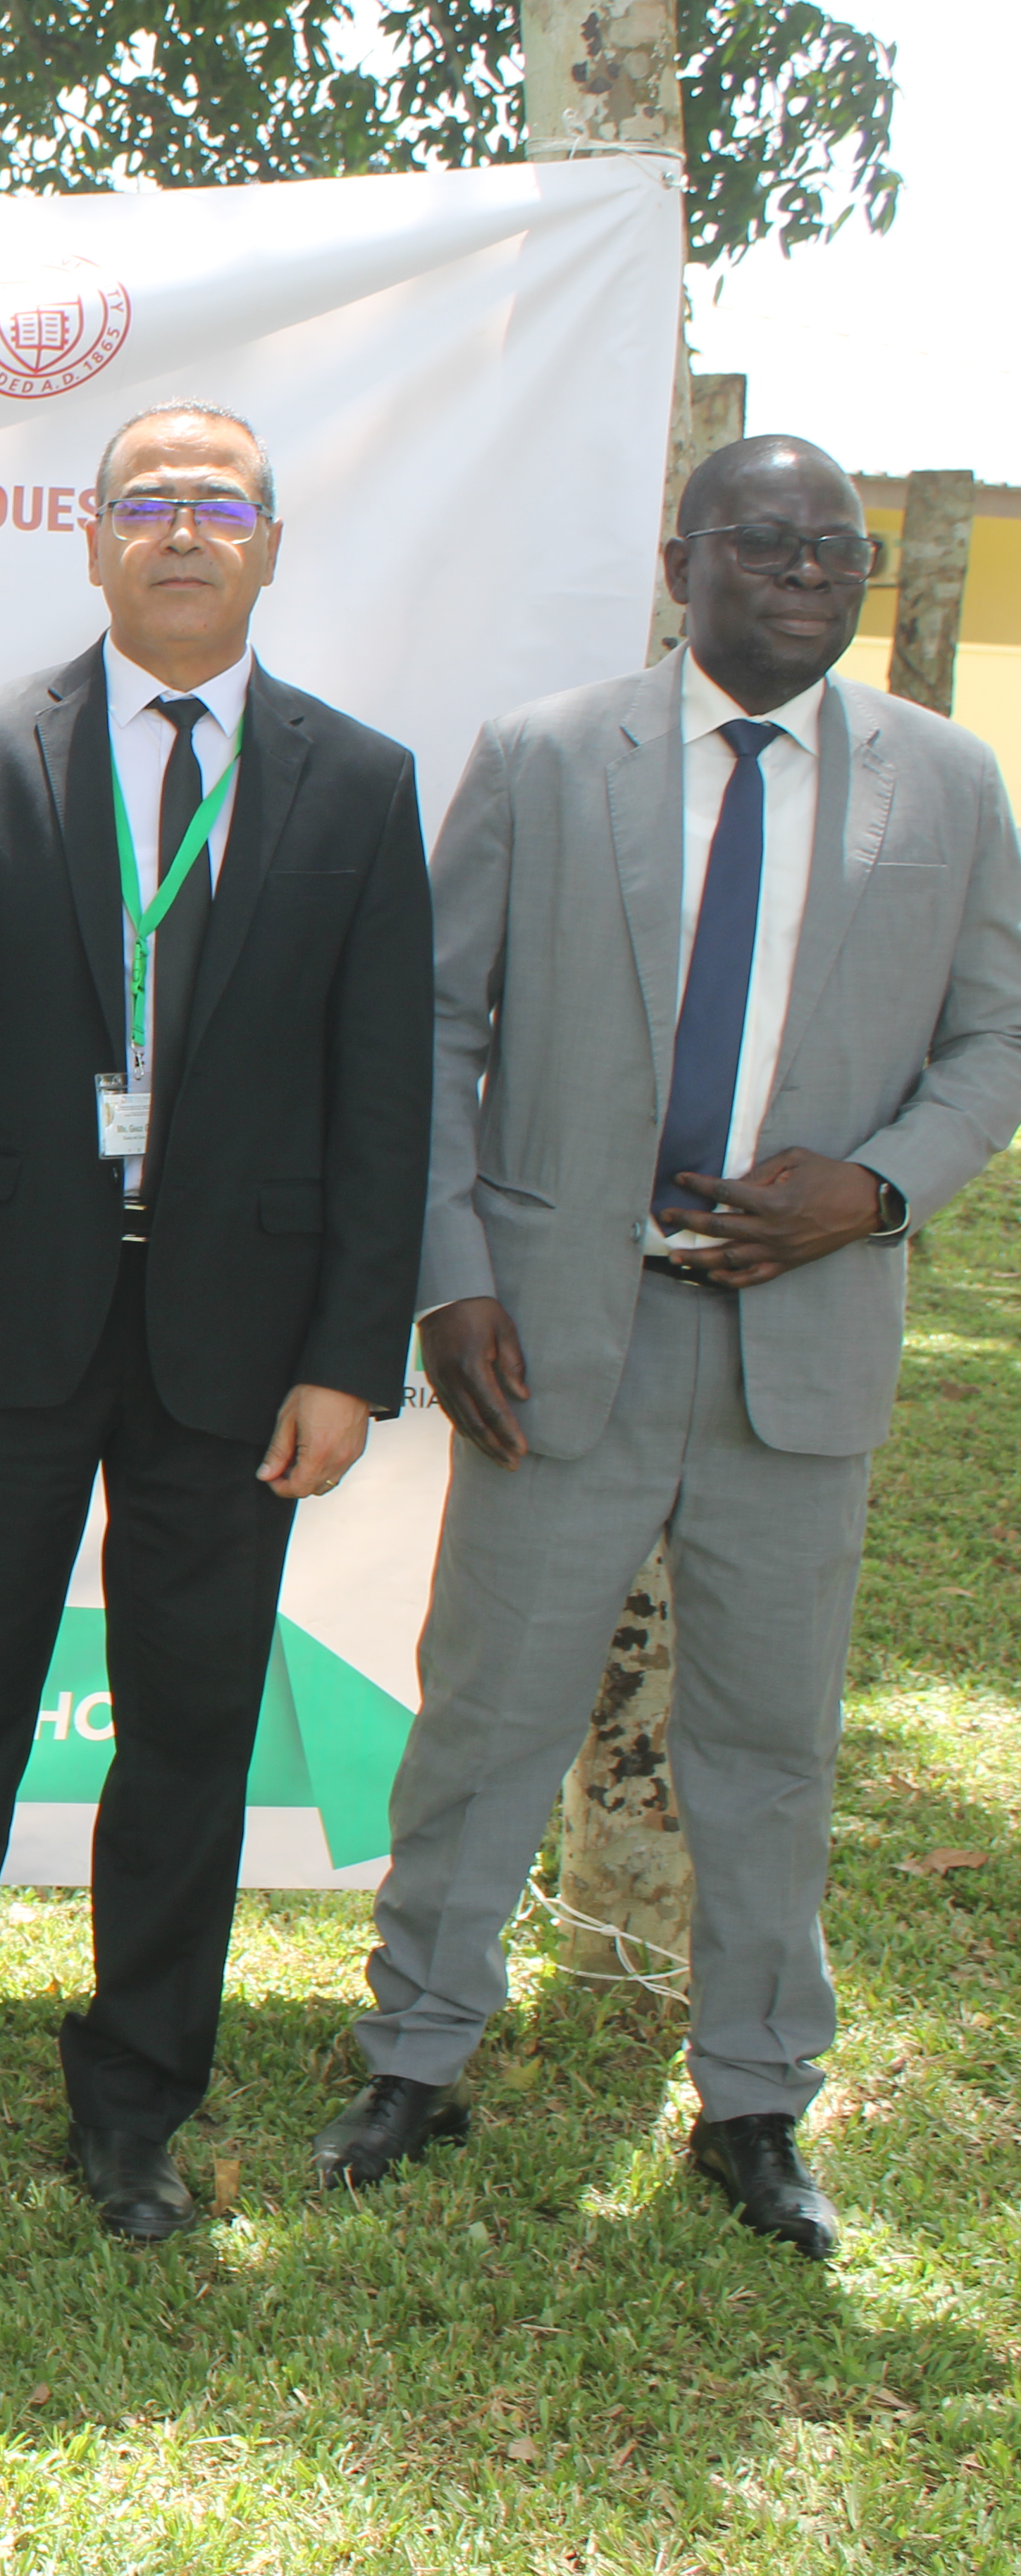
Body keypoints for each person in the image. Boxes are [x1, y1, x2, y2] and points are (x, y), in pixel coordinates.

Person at [318, 433, 1021, 2253]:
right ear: (679, 557)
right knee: (488, 1717)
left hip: (799, 1344)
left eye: (835, 549)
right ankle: (416, 2053)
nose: (803, 571)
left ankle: (763, 2097)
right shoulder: (552, 760)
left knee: (770, 1742)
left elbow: (996, 1043)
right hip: (557, 1335)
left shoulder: (947, 783)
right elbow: (437, 1028)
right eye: (764, 541)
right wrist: (450, 1276)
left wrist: (869, 1193)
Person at [0, 400, 431, 2244]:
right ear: (89, 544)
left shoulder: (358, 781)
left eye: (216, 502)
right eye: (145, 502)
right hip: (0, 1335)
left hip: (240, 1359)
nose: (181, 530)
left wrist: (348, 1357)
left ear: (267, 544)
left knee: (185, 1742)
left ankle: (136, 2106)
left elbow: (384, 1100)